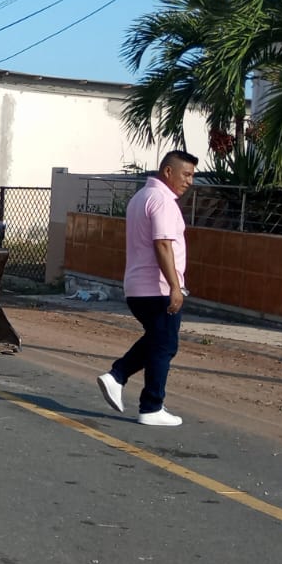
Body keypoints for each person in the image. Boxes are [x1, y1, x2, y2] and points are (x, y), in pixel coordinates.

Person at [97, 150, 199, 427]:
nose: (189, 181)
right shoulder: (162, 200)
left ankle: (117, 377)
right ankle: (151, 406)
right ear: (168, 171)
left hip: (138, 287)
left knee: (159, 340)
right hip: (157, 288)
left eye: (192, 176)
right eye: (186, 174)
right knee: (164, 344)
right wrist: (175, 287)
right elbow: (162, 244)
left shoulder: (142, 196)